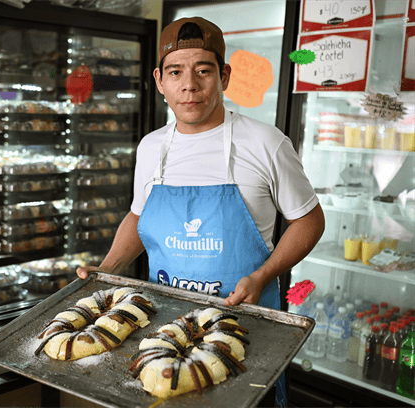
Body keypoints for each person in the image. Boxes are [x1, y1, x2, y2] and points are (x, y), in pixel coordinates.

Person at [76, 16, 325, 407]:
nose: (189, 84)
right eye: (176, 72)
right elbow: (139, 217)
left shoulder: (264, 142)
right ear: (160, 81)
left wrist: (263, 276)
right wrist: (106, 269)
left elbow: (309, 219)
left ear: (224, 76)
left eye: (203, 71)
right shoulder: (151, 148)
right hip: (166, 328)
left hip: (248, 330)